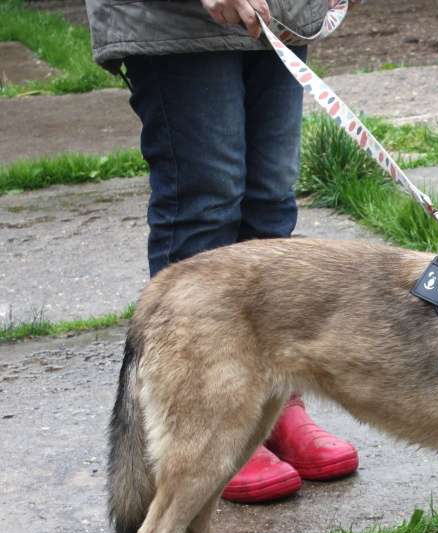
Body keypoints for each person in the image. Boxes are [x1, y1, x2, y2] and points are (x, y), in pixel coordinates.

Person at [86, 0, 359, 502]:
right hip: (176, 21)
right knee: (206, 203)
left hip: (278, 14)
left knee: (272, 201)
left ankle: (272, 405)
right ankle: (203, 422)